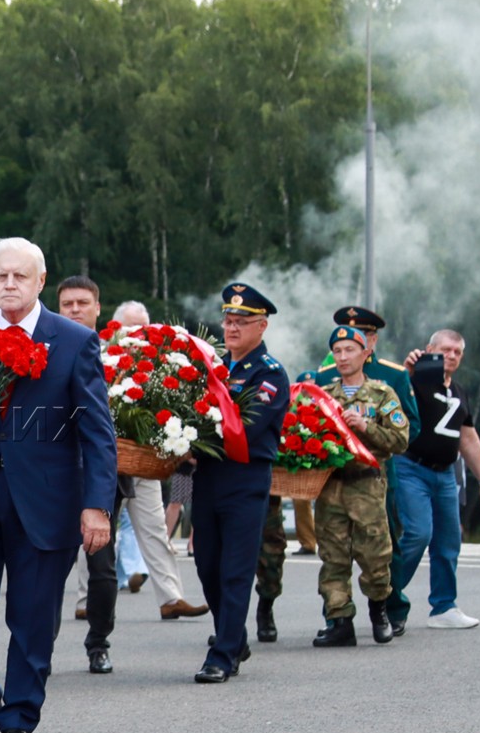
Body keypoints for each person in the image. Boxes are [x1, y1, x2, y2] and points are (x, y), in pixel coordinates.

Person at [0, 240, 114, 733]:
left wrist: (96, 504)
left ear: (41, 282)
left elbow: (98, 433)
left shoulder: (75, 341)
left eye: (19, 276)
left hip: (48, 502)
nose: (8, 284)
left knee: (34, 616)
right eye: (0, 276)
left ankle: (18, 719)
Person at [192, 284, 289, 683]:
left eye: (241, 322)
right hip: (207, 475)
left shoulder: (269, 374)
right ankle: (234, 634)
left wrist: (191, 435)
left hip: (245, 477)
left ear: (261, 326)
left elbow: (247, 428)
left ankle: (224, 652)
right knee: (206, 564)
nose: (231, 329)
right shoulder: (212, 367)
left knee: (235, 568)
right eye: (228, 321)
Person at [390, 330, 480, 631]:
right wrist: (408, 369)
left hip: (445, 474)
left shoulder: (459, 392)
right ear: (429, 350)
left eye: (457, 352)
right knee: (418, 533)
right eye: (446, 350)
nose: (451, 355)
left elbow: (469, 438)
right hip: (411, 466)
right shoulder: (414, 380)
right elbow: (390, 397)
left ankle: (444, 607)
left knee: (449, 541)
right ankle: (387, 598)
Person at [108, 300, 208, 623]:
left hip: (145, 461)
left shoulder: (159, 364)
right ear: (117, 328)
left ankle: (171, 597)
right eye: (133, 327)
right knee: (98, 533)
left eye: (145, 327)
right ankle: (87, 600)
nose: (141, 334)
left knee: (155, 530)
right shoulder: (101, 359)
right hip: (108, 461)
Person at [310, 326, 410, 645]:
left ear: (365, 354)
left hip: (366, 485)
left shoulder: (382, 394)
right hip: (331, 486)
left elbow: (400, 440)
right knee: (333, 555)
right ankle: (339, 620)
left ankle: (379, 610)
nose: (342, 357)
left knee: (375, 554)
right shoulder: (325, 396)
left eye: (350, 350)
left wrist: (365, 426)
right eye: (337, 351)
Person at [53, 275, 123, 674]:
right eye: (67, 304)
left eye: (82, 303)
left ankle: (98, 641)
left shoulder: (126, 358)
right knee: (47, 564)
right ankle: (39, 643)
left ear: (98, 308)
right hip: (57, 472)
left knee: (102, 565)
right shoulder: (45, 350)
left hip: (101, 474)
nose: (75, 310)